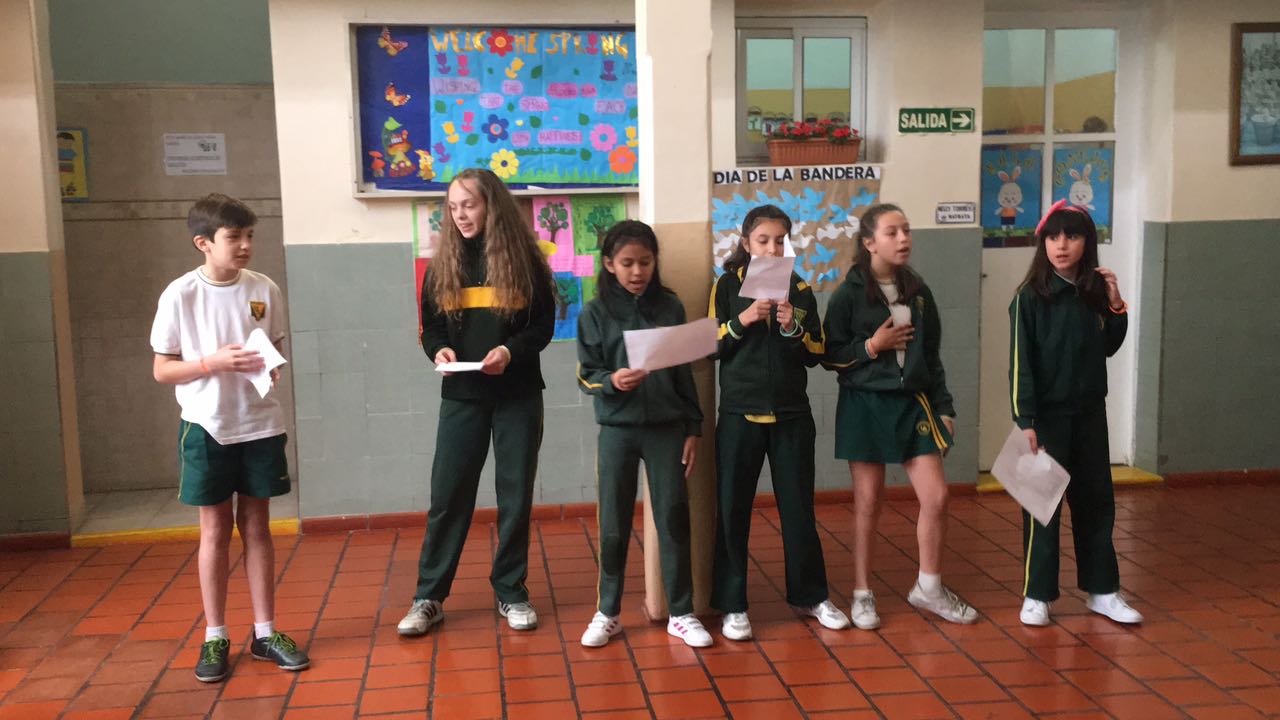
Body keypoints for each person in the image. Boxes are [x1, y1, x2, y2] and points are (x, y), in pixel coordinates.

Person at [150, 193, 309, 682]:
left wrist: (273, 366)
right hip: (207, 426)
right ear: (203, 243)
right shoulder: (180, 294)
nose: (245, 245)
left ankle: (265, 633)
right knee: (215, 530)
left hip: (260, 425)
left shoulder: (264, 288)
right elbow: (162, 369)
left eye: (249, 236)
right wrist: (211, 363)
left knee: (257, 527)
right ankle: (215, 635)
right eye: (233, 237)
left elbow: (273, 346)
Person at [397, 168, 555, 637]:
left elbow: (541, 328)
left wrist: (508, 351)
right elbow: (432, 328)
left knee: (515, 497)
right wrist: (438, 351)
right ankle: (429, 597)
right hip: (462, 397)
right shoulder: (442, 265)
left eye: (469, 204)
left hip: (517, 395)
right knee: (448, 496)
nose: (460, 215)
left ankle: (511, 591)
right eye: (453, 207)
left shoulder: (526, 262)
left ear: (492, 206)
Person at [823, 203, 978, 630]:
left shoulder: (919, 292)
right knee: (868, 502)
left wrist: (944, 407)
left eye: (907, 230)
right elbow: (829, 355)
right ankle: (862, 592)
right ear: (869, 242)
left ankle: (929, 587)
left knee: (937, 496)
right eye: (892, 232)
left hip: (913, 405)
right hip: (864, 406)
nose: (904, 238)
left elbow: (931, 356)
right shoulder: (848, 294)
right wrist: (871, 346)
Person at [708, 204, 850, 640]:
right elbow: (710, 344)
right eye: (763, 240)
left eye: (780, 241)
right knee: (732, 511)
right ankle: (733, 605)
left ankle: (811, 595)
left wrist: (792, 328)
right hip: (739, 415)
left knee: (798, 510)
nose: (771, 248)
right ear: (746, 243)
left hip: (791, 416)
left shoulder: (800, 288)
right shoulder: (726, 286)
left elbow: (817, 352)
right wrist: (743, 319)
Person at [575, 220, 710, 648]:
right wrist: (612, 381)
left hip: (667, 430)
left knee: (673, 517)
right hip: (617, 430)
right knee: (613, 522)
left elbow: (685, 372)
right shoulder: (594, 312)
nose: (637, 272)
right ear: (609, 264)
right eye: (628, 263)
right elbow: (586, 373)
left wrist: (693, 427)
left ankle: (681, 613)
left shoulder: (670, 307)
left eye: (646, 262)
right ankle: (608, 612)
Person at [1010, 199, 1141, 627]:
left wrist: (1116, 306)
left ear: (1088, 242)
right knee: (1041, 506)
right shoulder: (1029, 297)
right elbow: (1019, 364)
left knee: (1095, 502)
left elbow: (1109, 345)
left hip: (1089, 415)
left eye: (1071, 236)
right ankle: (1037, 594)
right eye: (1053, 237)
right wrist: (1025, 420)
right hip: (1045, 420)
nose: (1061, 245)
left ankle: (1102, 590)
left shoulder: (1093, 294)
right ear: (1043, 243)